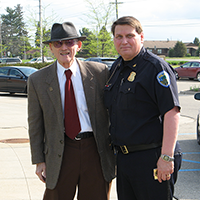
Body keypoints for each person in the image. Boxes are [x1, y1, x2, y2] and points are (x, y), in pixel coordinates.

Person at [28, 22, 116, 200]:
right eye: (58, 43)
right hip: (60, 152)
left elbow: (114, 111)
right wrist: (39, 160)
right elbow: (35, 124)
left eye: (69, 42)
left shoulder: (100, 72)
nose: (64, 48)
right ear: (51, 48)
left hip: (95, 150)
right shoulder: (37, 80)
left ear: (79, 45)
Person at [104, 16, 182, 200]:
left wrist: (166, 157)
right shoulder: (116, 67)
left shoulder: (156, 68)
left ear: (141, 37)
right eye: (119, 36)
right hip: (125, 158)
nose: (124, 41)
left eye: (129, 35)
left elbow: (172, 113)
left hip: (152, 156)